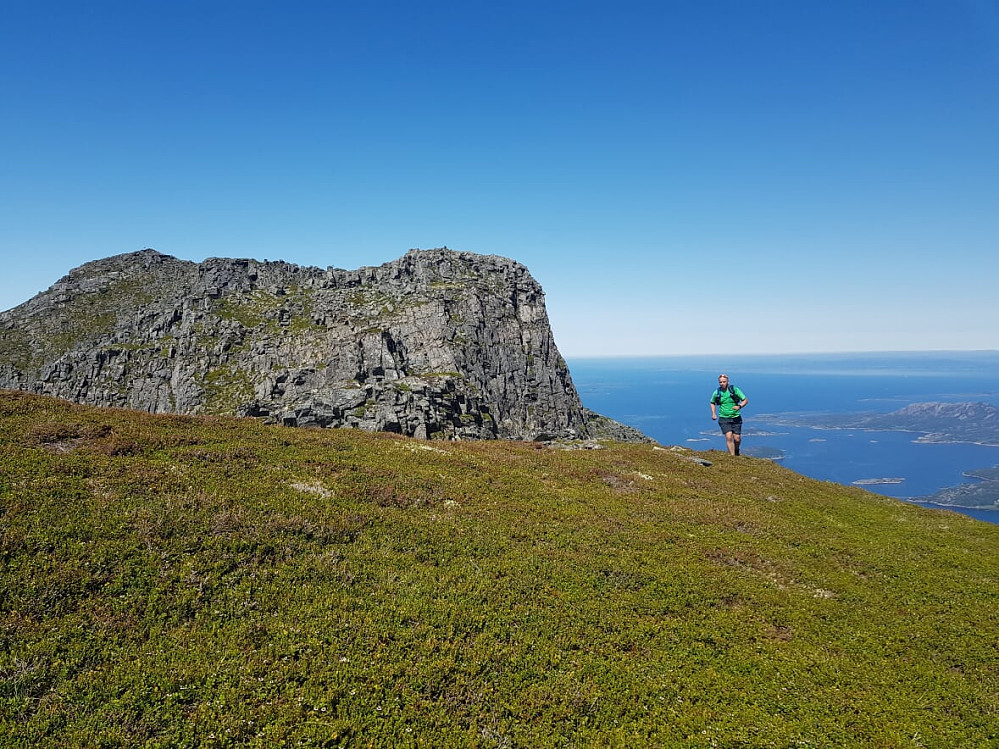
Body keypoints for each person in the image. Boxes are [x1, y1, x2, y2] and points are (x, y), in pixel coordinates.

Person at [710, 373, 748, 456]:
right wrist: (713, 413)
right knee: (729, 437)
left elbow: (745, 400)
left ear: (728, 381)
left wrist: (739, 406)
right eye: (720, 382)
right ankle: (732, 456)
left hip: (736, 417)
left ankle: (736, 450)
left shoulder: (734, 390)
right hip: (724, 418)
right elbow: (712, 402)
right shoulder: (717, 392)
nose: (722, 383)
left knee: (737, 439)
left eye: (724, 382)